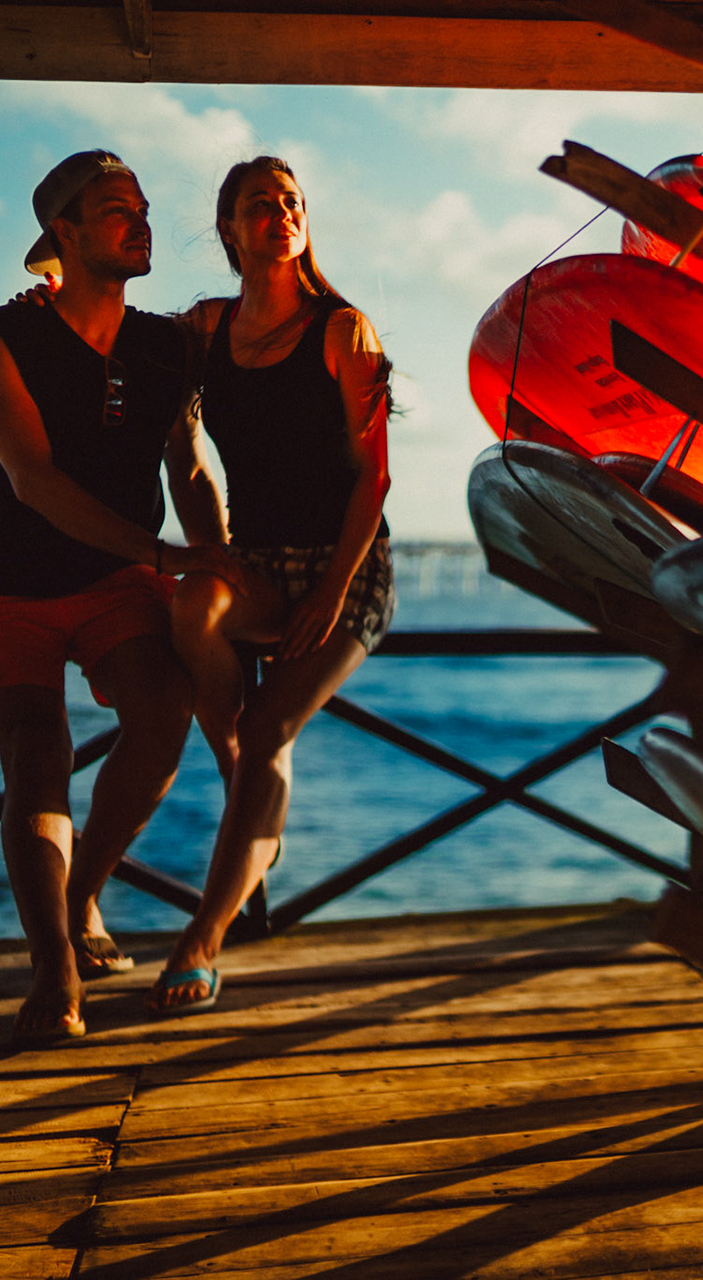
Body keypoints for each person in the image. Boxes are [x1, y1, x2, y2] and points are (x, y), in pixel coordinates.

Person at [0, 150, 237, 1045]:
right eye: (116, 209)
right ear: (63, 233)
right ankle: (54, 966)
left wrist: (220, 558)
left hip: (115, 581)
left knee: (163, 713)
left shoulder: (166, 344)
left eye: (143, 207)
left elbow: (188, 465)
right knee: (38, 755)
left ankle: (80, 896)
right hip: (8, 578)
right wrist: (163, 554)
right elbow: (30, 478)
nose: (141, 220)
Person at [146, 156, 394, 1015]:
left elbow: (373, 480)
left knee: (270, 722)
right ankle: (247, 789)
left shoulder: (343, 330)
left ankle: (201, 939)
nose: (281, 213)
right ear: (229, 229)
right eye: (261, 205)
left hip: (346, 566)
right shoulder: (204, 330)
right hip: (255, 559)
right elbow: (120, 349)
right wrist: (46, 296)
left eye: (292, 202)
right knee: (192, 603)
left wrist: (333, 590)